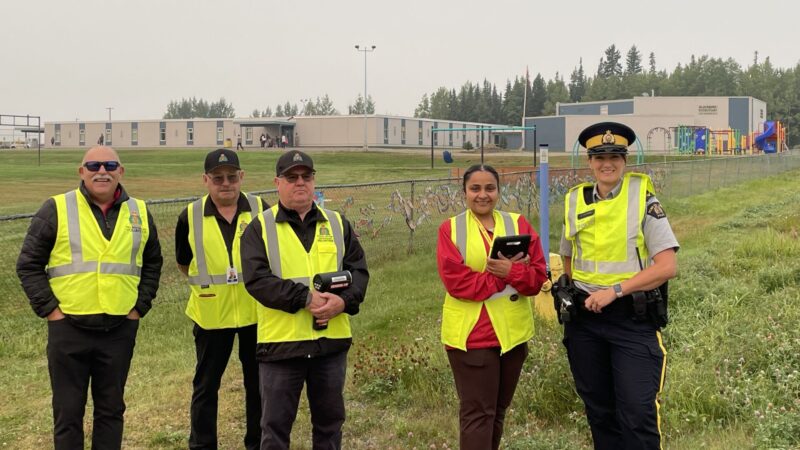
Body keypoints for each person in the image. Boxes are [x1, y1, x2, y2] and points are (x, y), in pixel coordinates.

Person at [16, 145, 163, 450]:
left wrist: (139, 307)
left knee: (111, 410)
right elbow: (28, 264)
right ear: (81, 172)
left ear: (120, 172)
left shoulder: (139, 211)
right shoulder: (56, 208)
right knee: (68, 413)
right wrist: (51, 311)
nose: (102, 171)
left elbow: (152, 262)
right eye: (93, 165)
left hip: (119, 329)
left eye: (110, 165)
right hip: (69, 330)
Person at [558, 122, 678, 450]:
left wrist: (615, 291)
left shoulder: (643, 198)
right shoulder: (574, 200)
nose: (607, 163)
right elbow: (567, 255)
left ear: (625, 160)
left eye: (615, 155)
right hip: (585, 321)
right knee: (599, 411)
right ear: (589, 161)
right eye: (599, 156)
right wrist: (568, 289)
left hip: (630, 318)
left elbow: (667, 267)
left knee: (637, 413)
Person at [241, 150, 369, 449]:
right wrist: (305, 299)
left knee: (330, 426)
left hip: (330, 345)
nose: (300, 183)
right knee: (275, 430)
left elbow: (359, 272)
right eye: (291, 177)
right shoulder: (260, 228)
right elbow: (257, 280)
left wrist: (343, 303)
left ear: (314, 181)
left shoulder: (337, 224)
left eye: (306, 176)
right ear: (277, 182)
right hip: (281, 347)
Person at [436, 164, 547, 450]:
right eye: (475, 188)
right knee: (478, 415)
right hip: (472, 338)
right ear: (464, 192)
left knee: (497, 412)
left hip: (512, 337)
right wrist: (505, 275)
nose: (482, 195)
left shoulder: (519, 224)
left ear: (499, 191)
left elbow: (536, 279)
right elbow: (459, 284)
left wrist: (511, 272)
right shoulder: (451, 229)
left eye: (489, 188)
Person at [175, 148, 268, 450]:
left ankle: (257, 442)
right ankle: (202, 445)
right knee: (205, 387)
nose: (225, 183)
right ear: (206, 180)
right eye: (218, 178)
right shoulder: (189, 216)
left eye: (231, 177)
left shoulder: (261, 209)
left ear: (242, 177)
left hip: (256, 314)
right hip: (211, 315)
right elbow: (183, 262)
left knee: (258, 386)